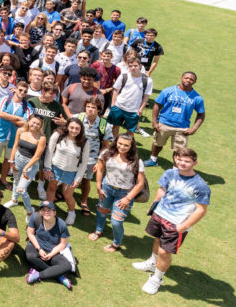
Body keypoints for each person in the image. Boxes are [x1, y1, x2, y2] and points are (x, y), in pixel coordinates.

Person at [133, 148, 210, 295]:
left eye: (187, 161)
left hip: (176, 223)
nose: (182, 163)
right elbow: (162, 189)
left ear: (195, 163)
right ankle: (152, 263)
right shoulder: (170, 173)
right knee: (157, 240)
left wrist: (185, 226)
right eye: (179, 159)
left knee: (164, 252)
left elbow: (201, 210)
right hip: (160, 215)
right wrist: (154, 205)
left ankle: (156, 279)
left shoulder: (200, 185)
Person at [89, 132, 145, 252]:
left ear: (131, 146)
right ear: (116, 142)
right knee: (102, 210)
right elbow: (100, 169)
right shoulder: (106, 154)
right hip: (107, 188)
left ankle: (116, 244)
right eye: (120, 143)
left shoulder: (136, 161)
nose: (122, 147)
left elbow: (140, 183)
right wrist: (98, 186)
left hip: (124, 194)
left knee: (116, 222)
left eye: (126, 145)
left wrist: (128, 198)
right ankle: (98, 231)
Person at [144, 72, 205, 167]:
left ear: (195, 82)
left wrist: (194, 128)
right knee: (157, 143)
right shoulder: (168, 91)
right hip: (164, 124)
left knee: (180, 150)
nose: (188, 80)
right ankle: (153, 160)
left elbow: (201, 114)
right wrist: (155, 121)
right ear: (181, 78)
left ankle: (175, 169)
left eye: (191, 79)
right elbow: (157, 105)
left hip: (182, 128)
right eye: (186, 78)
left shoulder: (197, 98)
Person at [42, 118, 91, 225]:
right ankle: (49, 211)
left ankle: (72, 212)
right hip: (55, 168)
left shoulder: (85, 142)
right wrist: (47, 168)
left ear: (81, 129)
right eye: (72, 127)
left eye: (77, 129)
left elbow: (84, 163)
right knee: (51, 188)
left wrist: (78, 179)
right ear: (67, 127)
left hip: (71, 172)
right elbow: (49, 152)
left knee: (67, 195)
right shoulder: (57, 135)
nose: (74, 130)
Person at [25, 200, 75, 289]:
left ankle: (38, 275)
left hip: (53, 250)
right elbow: (30, 233)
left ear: (54, 212)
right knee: (30, 256)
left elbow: (63, 244)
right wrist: (39, 249)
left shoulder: (61, 224)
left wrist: (51, 254)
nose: (46, 212)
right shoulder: (35, 217)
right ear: (40, 212)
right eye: (43, 210)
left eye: (49, 210)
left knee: (67, 266)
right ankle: (58, 275)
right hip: (36, 246)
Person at [5, 116, 47, 220]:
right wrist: (11, 161)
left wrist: (26, 168)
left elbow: (37, 156)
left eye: (38, 124)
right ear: (28, 121)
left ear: (41, 126)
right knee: (16, 180)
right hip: (18, 159)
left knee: (22, 189)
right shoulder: (20, 131)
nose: (35, 125)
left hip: (31, 164)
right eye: (33, 122)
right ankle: (14, 200)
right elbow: (15, 146)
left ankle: (29, 211)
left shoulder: (42, 138)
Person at [106, 59, 153, 139]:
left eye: (135, 66)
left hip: (133, 110)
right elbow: (116, 91)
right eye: (131, 66)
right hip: (119, 107)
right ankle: (115, 143)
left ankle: (128, 147)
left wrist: (140, 109)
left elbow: (146, 97)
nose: (133, 68)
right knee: (115, 127)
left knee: (131, 131)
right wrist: (113, 105)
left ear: (140, 66)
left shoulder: (148, 80)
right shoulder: (124, 76)